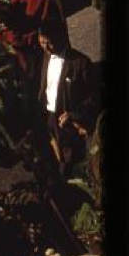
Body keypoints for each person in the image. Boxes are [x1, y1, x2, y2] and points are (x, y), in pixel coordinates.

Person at [35, 15, 101, 170]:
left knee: (73, 161)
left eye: (49, 42)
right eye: (42, 42)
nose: (46, 47)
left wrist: (73, 114)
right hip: (49, 116)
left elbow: (95, 96)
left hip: (67, 120)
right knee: (55, 155)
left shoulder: (81, 63)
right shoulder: (45, 57)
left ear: (60, 38)